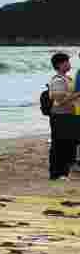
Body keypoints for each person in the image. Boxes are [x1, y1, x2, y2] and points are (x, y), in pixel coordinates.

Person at [48, 52, 80, 180]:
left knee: (68, 144)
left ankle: (64, 172)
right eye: (67, 62)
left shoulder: (68, 78)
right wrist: (77, 95)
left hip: (68, 115)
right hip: (59, 116)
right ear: (60, 64)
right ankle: (56, 173)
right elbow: (60, 100)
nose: (69, 64)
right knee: (58, 144)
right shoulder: (57, 80)